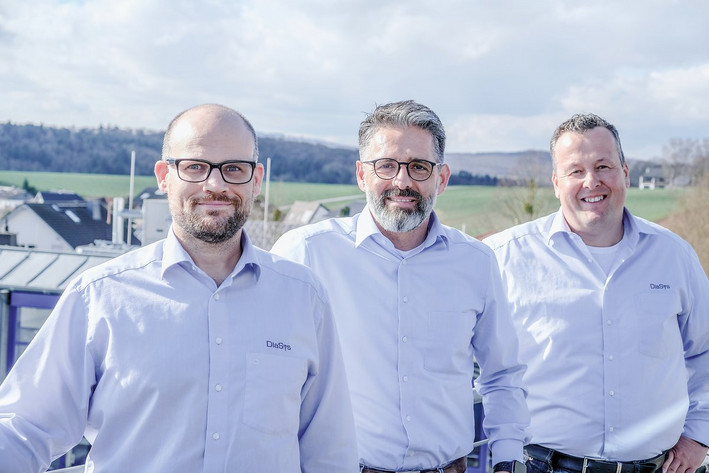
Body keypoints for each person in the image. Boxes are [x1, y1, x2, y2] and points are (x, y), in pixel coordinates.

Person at [0, 103, 358, 473]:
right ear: (164, 176)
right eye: (195, 167)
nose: (215, 185)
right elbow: (25, 428)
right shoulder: (101, 296)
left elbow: (329, 453)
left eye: (234, 168)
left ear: (256, 179)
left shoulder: (303, 298)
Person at [271, 99, 529, 473]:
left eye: (419, 166)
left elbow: (502, 374)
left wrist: (507, 458)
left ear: (442, 178)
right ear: (361, 175)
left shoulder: (476, 261)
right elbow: (270, 375)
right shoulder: (305, 253)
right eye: (386, 165)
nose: (402, 181)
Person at [484, 113, 709, 473]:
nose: (592, 181)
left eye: (603, 166)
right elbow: (457, 359)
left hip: (659, 467)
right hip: (541, 465)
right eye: (575, 170)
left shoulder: (674, 256)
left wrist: (699, 435)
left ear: (625, 173)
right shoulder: (503, 258)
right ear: (556, 183)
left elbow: (705, 351)